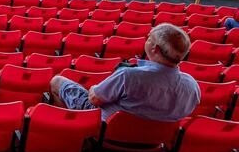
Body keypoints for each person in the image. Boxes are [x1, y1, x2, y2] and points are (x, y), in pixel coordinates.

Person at [50, 24, 200, 122]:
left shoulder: (128, 76)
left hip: (107, 128)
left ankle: (71, 130)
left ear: (155, 49)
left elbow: (95, 99)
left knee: (57, 82)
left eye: (149, 39)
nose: (146, 41)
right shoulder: (192, 85)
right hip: (155, 136)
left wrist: (93, 88)